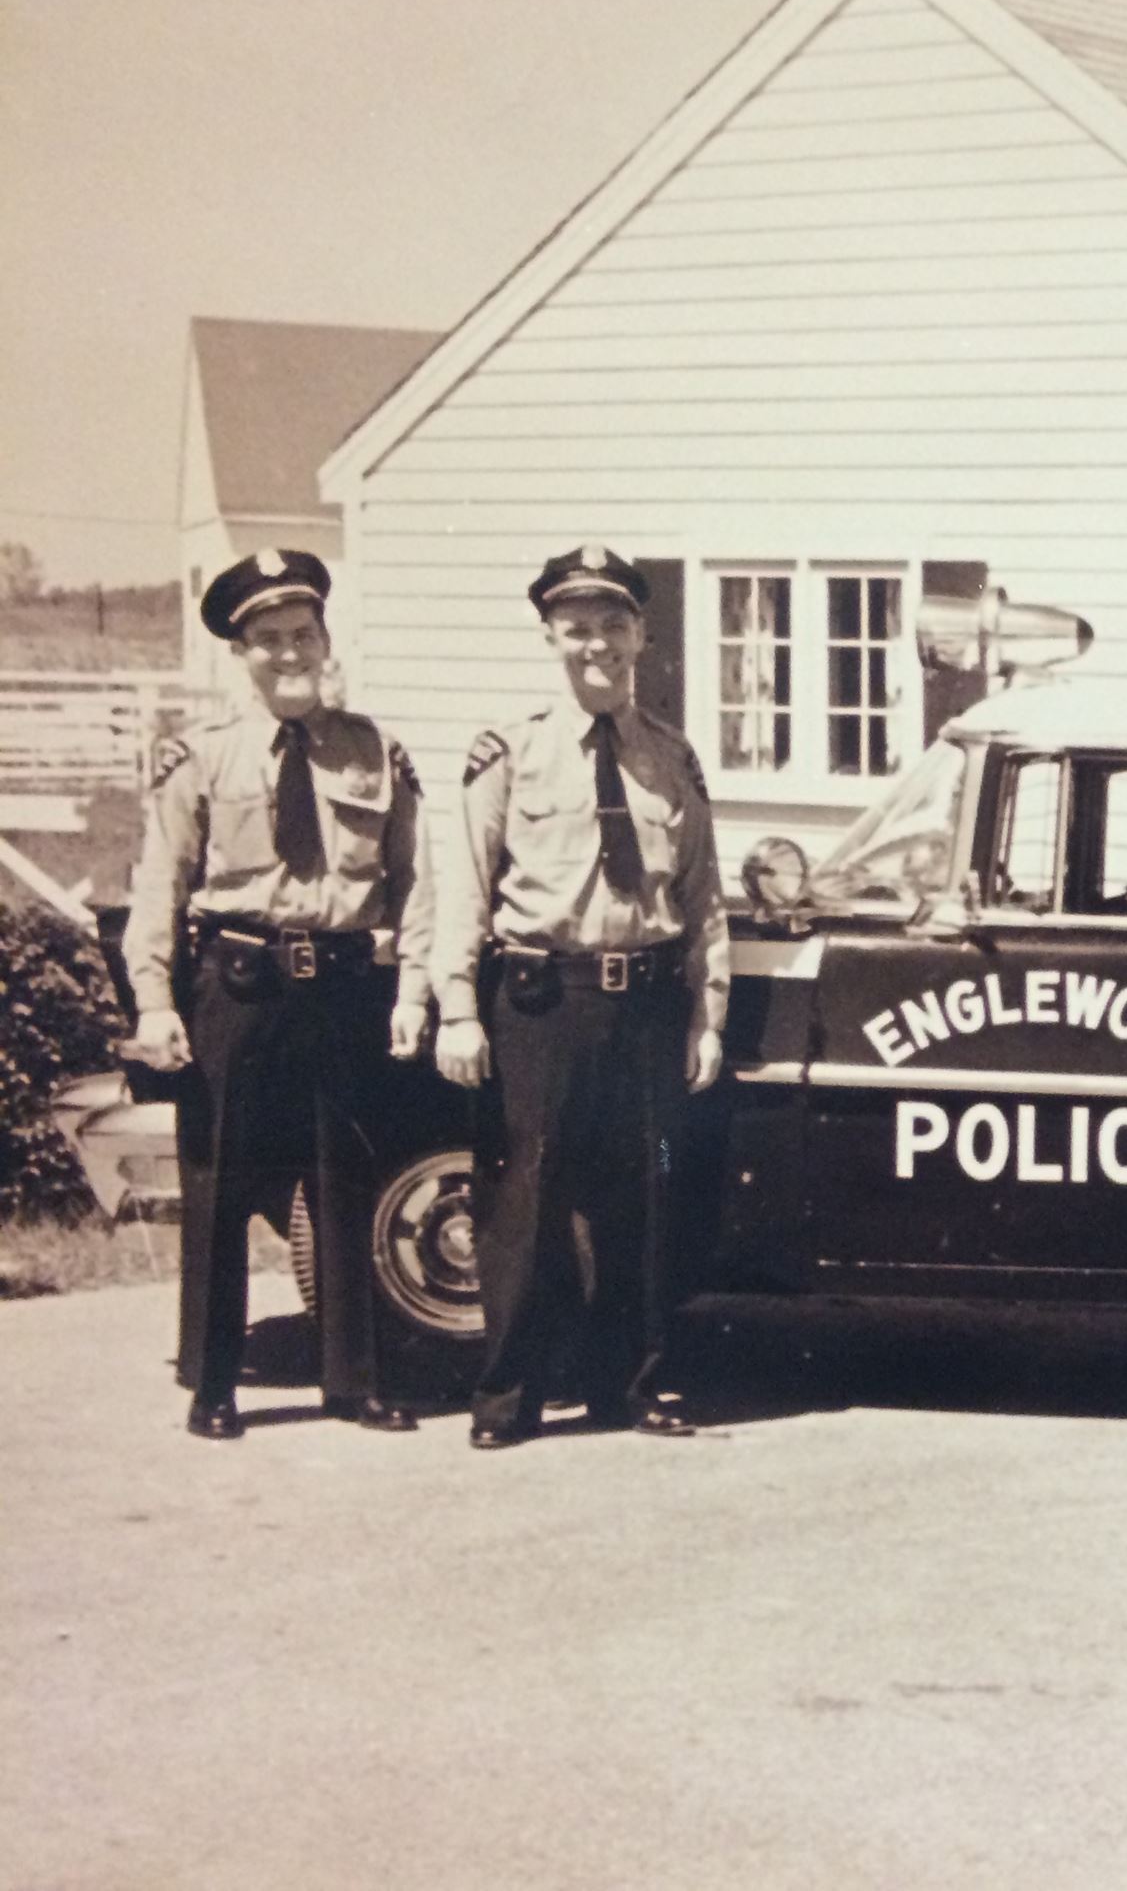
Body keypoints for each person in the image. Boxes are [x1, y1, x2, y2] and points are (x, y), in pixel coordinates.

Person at [124, 548, 432, 1439]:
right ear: (241, 652)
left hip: (340, 987)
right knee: (222, 1182)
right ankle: (214, 1384)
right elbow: (161, 887)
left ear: (326, 639)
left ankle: (354, 1382)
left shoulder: (374, 749)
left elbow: (417, 881)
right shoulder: (200, 758)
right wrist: (154, 1000)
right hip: (240, 985)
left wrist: (413, 988)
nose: (290, 652)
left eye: (304, 633)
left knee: (346, 1180)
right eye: (268, 639)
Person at [431, 544, 730, 1450]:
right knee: (524, 1205)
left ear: (641, 633)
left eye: (613, 623)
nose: (596, 642)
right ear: (551, 636)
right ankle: (508, 1398)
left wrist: (706, 1012)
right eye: (577, 626)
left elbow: (704, 894)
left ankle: (628, 1388)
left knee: (638, 1202)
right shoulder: (508, 754)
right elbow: (466, 886)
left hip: (641, 1002)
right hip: (540, 1001)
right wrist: (455, 1004)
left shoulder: (671, 758)